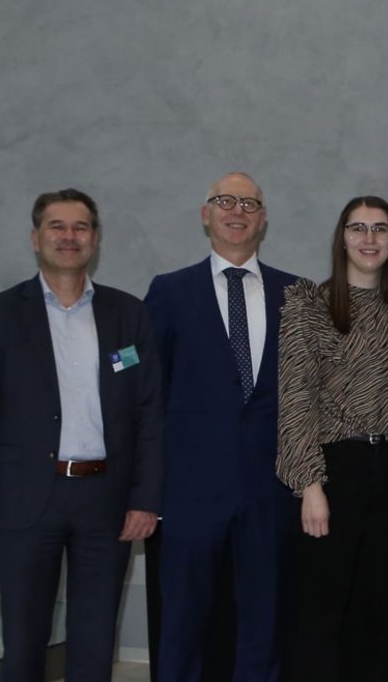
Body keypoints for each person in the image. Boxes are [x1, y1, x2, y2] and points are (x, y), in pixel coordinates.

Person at [0, 189, 163, 682]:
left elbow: (149, 413)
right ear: (36, 238)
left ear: (95, 239)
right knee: (25, 640)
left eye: (80, 227)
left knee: (94, 641)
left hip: (106, 501)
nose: (69, 237)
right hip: (25, 500)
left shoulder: (127, 314)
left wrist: (146, 498)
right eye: (57, 226)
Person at [144, 174, 298, 681]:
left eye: (250, 203)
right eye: (225, 201)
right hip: (189, 493)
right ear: (205, 214)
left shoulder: (294, 294)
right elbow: (150, 397)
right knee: (183, 623)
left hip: (270, 490)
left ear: (264, 218)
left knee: (265, 623)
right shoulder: (169, 292)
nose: (238, 211)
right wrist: (150, 489)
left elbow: (303, 398)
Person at [275, 197, 388, 679]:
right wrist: (310, 486)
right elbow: (296, 396)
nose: (369, 239)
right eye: (358, 228)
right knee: (322, 611)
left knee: (387, 611)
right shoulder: (308, 305)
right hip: (334, 471)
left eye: (380, 229)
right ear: (342, 237)